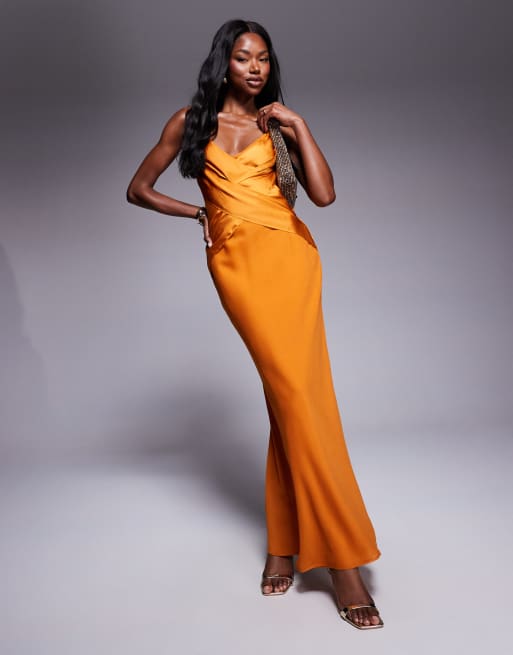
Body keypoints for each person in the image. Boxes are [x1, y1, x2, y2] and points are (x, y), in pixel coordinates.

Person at [126, 18, 384, 630]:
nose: (255, 68)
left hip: (292, 259)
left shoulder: (276, 124)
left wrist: (300, 125)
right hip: (237, 267)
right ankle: (338, 559)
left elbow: (324, 197)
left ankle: (296, 551)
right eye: (244, 57)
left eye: (263, 58)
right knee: (295, 400)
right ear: (224, 63)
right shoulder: (190, 122)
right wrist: (200, 215)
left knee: (293, 401)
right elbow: (138, 189)